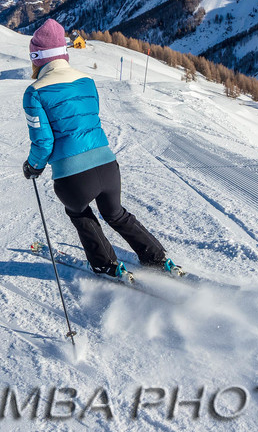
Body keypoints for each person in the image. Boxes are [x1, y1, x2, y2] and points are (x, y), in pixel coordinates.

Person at [20, 19, 178, 280]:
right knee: (116, 214)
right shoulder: (87, 81)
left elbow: (43, 142)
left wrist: (33, 166)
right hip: (107, 166)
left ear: (37, 58)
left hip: (73, 176)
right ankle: (157, 258)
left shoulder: (34, 91)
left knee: (79, 212)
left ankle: (106, 265)